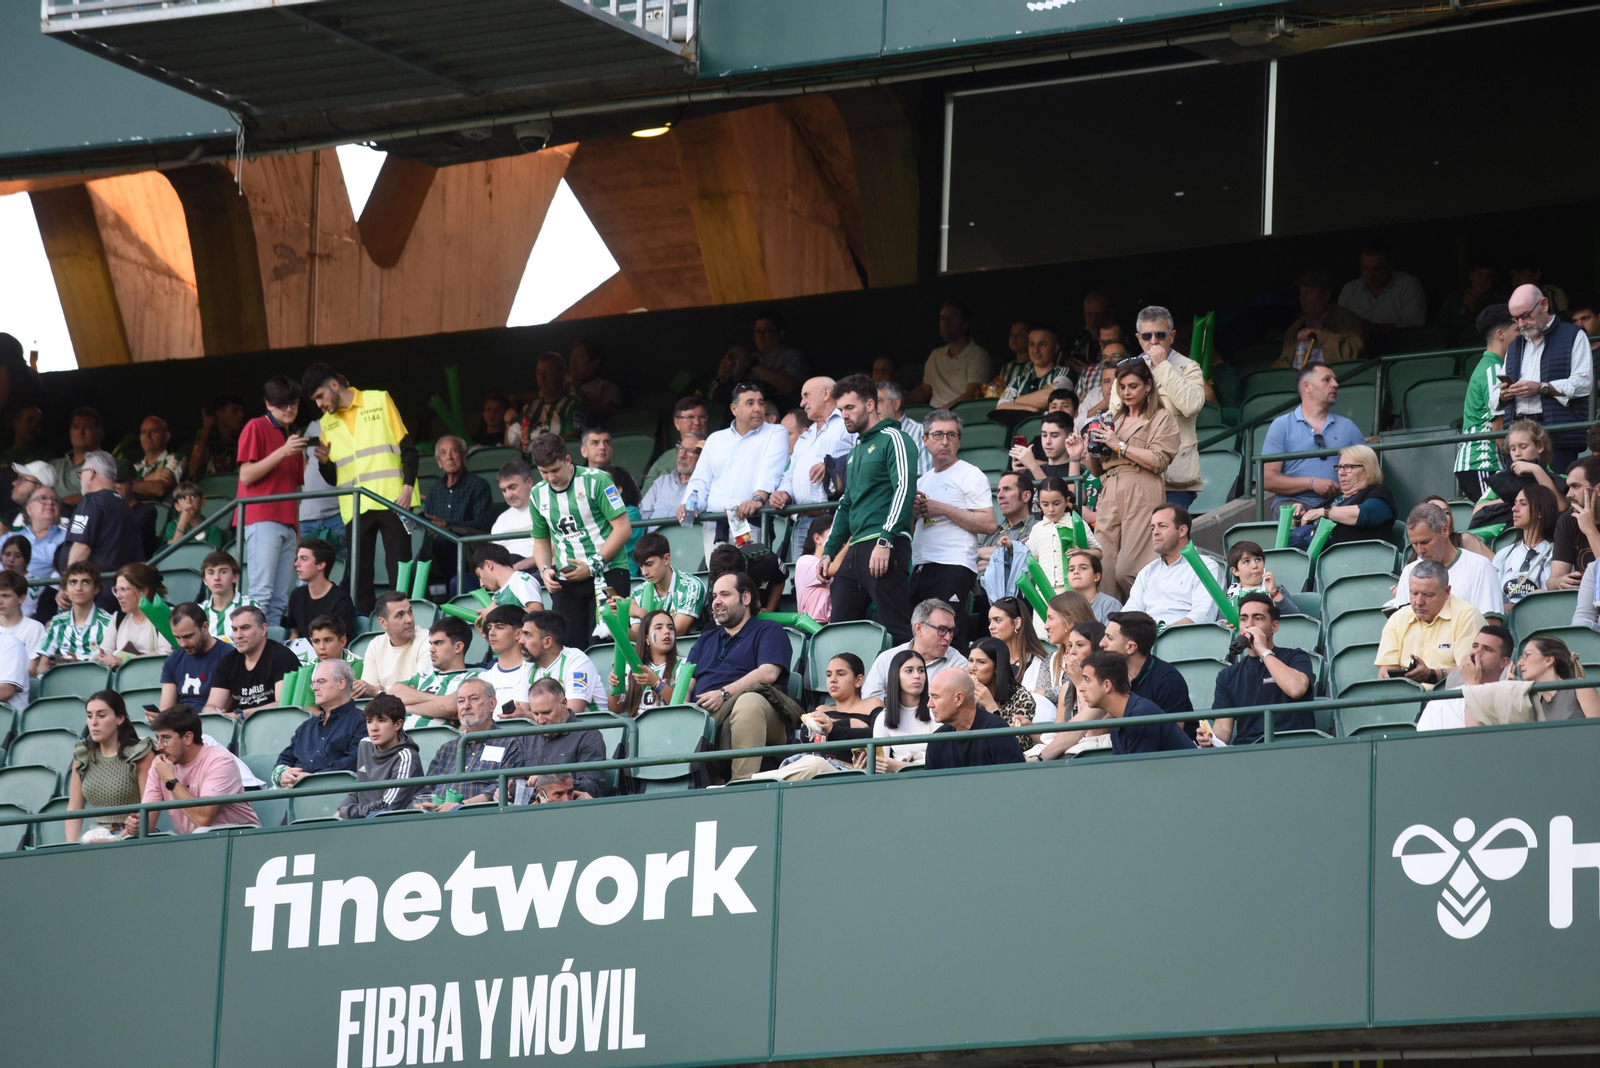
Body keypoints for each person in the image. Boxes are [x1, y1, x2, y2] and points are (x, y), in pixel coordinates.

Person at [302, 362, 419, 614]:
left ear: (334, 385)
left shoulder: (379, 400)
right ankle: (362, 631)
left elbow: (407, 447)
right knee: (359, 577)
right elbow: (333, 478)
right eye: (315, 400)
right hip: (355, 507)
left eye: (320, 396)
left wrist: (408, 488)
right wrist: (323, 462)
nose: (319, 404)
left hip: (393, 500)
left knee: (399, 571)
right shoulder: (326, 423)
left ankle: (405, 621)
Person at [820, 375, 919, 644]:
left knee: (897, 630)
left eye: (850, 408)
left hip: (885, 545)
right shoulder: (855, 452)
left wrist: (886, 540)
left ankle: (912, 685)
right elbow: (846, 504)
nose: (844, 415)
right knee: (838, 634)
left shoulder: (894, 438)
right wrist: (829, 552)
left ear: (871, 404)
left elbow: (904, 490)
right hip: (853, 552)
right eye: (841, 410)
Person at [1080, 358, 1178, 600]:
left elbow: (1159, 460)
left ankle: (1141, 617)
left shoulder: (1161, 417)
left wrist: (1119, 445)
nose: (1126, 392)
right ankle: (1111, 628)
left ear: (1148, 386)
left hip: (1141, 487)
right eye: (1122, 387)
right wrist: (1087, 450)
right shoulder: (1114, 417)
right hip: (1110, 487)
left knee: (1129, 569)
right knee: (1104, 569)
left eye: (1133, 386)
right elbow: (1097, 470)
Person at [683, 572, 796, 780]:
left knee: (749, 702)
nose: (717, 601)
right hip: (706, 714)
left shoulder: (768, 630)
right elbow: (687, 683)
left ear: (746, 598)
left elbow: (768, 673)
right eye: (715, 596)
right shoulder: (706, 639)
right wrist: (683, 711)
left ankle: (742, 786)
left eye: (725, 594)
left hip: (761, 715)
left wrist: (724, 693)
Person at [526, 432, 632, 646]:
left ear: (567, 460)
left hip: (608, 571)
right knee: (569, 647)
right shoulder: (537, 494)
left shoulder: (598, 480)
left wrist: (593, 565)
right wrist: (545, 569)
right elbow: (541, 541)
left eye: (555, 470)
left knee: (604, 645)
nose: (551, 477)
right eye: (544, 472)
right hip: (567, 580)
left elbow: (623, 529)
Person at [910, 409, 995, 643]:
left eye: (952, 435)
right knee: (919, 636)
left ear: (959, 440)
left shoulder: (970, 474)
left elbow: (989, 523)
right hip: (921, 565)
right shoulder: (922, 480)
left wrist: (943, 508)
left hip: (952, 565)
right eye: (938, 435)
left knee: (946, 635)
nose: (945, 441)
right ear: (925, 440)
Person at [677, 382, 788, 550]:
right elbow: (700, 481)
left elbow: (770, 472)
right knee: (719, 576)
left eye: (760, 402)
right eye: (750, 403)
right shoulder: (715, 439)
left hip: (752, 523)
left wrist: (757, 499)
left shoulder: (776, 432)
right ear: (734, 409)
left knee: (751, 576)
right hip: (715, 528)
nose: (757, 408)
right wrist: (688, 505)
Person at [234, 375, 307, 628]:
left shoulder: (292, 435)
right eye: (282, 403)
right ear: (268, 404)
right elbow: (246, 475)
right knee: (261, 594)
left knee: (278, 600)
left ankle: (271, 652)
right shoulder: (256, 426)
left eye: (294, 403)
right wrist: (283, 451)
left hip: (287, 521)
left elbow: (294, 486)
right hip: (261, 517)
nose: (289, 408)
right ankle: (252, 655)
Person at [1197, 593, 1315, 747]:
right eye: (1244, 619)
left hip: (1294, 747)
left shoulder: (1296, 657)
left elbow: (1296, 688)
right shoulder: (1227, 676)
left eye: (1258, 618)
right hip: (1249, 752)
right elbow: (1223, 729)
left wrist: (1263, 651)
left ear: (1274, 626)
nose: (1249, 625)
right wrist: (1210, 737)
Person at [1500, 282, 1593, 472]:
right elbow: (1494, 396)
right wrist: (1504, 394)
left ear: (1543, 305)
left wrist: (1542, 387)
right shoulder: (1514, 346)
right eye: (1515, 319)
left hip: (1558, 436)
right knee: (1520, 497)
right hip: (1519, 437)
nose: (1521, 324)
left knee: (1558, 494)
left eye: (1526, 316)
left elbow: (1584, 383)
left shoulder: (1573, 335)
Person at [1117, 306, 1204, 506]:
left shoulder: (1188, 367)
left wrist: (1163, 365)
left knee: (1170, 534)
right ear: (1138, 338)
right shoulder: (1126, 369)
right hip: (1134, 473)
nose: (1153, 341)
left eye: (1160, 335)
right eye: (1147, 336)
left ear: (1172, 336)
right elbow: (1116, 415)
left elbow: (1191, 406)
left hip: (1175, 476)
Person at [131, 703, 260, 835]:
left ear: (188, 738)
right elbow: (147, 825)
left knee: (201, 831)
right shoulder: (160, 765)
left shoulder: (220, 760)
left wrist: (170, 780)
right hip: (195, 846)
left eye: (165, 739)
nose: (159, 747)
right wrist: (135, 826)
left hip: (239, 840)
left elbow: (203, 820)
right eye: (158, 739)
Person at [769, 377, 855, 562]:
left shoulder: (846, 423)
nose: (802, 403)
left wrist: (833, 467)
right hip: (802, 521)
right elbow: (791, 473)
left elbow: (863, 457)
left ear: (826, 393)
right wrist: (785, 493)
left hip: (833, 517)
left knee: (831, 578)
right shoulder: (806, 435)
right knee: (801, 583)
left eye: (806, 396)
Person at [1262, 363, 1367, 513]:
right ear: (1307, 387)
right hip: (1294, 505)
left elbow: (1373, 472)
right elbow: (1267, 479)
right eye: (1327, 379)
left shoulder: (1348, 426)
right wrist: (1311, 483)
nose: (1336, 384)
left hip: (1340, 505)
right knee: (1293, 516)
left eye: (1335, 380)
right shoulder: (1281, 425)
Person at [413, 677, 526, 810]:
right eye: (461, 701)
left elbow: (504, 787)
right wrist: (421, 804)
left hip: (479, 818)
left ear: (492, 704)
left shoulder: (510, 743)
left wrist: (460, 807)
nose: (466, 706)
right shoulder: (447, 749)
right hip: (435, 819)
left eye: (474, 699)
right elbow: (425, 790)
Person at [1375, 559, 1487, 687]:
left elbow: (1472, 671)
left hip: (1451, 699)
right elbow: (1385, 672)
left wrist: (1432, 675)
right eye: (1414, 593)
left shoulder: (1468, 616)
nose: (1418, 602)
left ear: (1446, 592)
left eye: (1428, 595)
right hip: (1407, 700)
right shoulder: (1397, 619)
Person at [65, 690, 155, 842]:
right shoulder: (82, 754)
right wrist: (73, 846)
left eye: (101, 716)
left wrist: (117, 839)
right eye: (89, 716)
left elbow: (149, 812)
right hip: (97, 836)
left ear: (120, 718)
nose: (93, 722)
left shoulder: (140, 753)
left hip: (133, 838)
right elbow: (74, 808)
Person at [1067, 650, 1197, 754]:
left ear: (1107, 685)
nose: (1082, 688)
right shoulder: (1120, 718)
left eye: (1087, 680)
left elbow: (1139, 776)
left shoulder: (1140, 716)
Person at [64, 450, 144, 611]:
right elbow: (139, 559)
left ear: (91, 473)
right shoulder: (127, 508)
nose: (81, 479)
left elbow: (81, 546)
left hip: (93, 592)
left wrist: (68, 584)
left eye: (81, 473)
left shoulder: (91, 501)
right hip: (118, 592)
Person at [1122, 504, 1224, 627]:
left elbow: (1203, 616)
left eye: (1162, 526)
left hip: (1184, 639)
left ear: (1182, 531)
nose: (1155, 532)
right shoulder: (1146, 572)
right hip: (1145, 640)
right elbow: (1129, 613)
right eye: (1152, 528)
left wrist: (1163, 634)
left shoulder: (1206, 567)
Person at [503, 676, 606, 798]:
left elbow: (592, 787)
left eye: (547, 712)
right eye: (535, 713)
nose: (540, 720)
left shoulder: (588, 735)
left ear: (563, 704)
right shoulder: (526, 737)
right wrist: (507, 791)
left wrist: (550, 781)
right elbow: (515, 782)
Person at [907, 667, 1026, 770]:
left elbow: (1016, 781)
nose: (929, 704)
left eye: (936, 697)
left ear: (959, 699)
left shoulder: (995, 730)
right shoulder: (937, 740)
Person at [271, 658, 363, 787]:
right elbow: (285, 758)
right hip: (293, 792)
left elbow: (353, 762)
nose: (314, 688)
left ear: (341, 683)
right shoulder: (306, 727)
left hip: (332, 795)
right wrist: (283, 773)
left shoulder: (362, 722)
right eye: (313, 683)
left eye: (320, 682)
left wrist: (314, 779)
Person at [1454, 304, 1514, 499]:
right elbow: (1498, 426)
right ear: (1500, 334)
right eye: (1517, 330)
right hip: (1482, 460)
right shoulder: (1493, 370)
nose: (1521, 335)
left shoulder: (1492, 365)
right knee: (1490, 519)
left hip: (1484, 463)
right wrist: (1513, 463)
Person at [1101, 609, 1194, 731]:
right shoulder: (1112, 676)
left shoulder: (1168, 680)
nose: (1102, 643)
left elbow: (1174, 738)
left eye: (1109, 638)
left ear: (1131, 647)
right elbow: (1093, 731)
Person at [421, 435, 492, 593]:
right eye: (444, 453)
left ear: (464, 456)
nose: (449, 457)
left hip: (468, 551)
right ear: (439, 462)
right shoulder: (435, 490)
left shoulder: (478, 485)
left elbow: (482, 524)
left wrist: (448, 526)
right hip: (437, 554)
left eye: (454, 451)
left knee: (442, 542)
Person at [1290, 444, 1396, 550]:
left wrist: (1325, 512)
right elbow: (1309, 520)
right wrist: (1298, 517)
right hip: (1316, 557)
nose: (1341, 473)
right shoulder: (1336, 499)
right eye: (1339, 467)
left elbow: (1366, 513)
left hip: (1357, 559)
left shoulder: (1379, 492)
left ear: (1368, 469)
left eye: (1348, 467)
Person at [862, 598, 970, 701]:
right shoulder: (887, 659)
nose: (948, 637)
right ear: (919, 628)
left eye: (951, 631)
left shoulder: (958, 665)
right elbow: (870, 701)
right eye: (941, 630)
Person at [336, 694, 424, 818]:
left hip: (391, 827)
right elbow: (357, 790)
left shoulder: (407, 757)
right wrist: (342, 809)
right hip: (361, 822)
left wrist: (347, 812)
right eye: (369, 721)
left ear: (397, 724)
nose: (373, 728)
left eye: (381, 720)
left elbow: (387, 807)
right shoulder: (364, 744)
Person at [205, 606, 302, 716]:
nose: (238, 635)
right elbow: (211, 705)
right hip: (237, 727)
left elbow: (283, 705)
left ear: (263, 629)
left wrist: (240, 714)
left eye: (245, 628)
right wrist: (212, 712)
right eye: (234, 629)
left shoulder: (282, 657)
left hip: (274, 725)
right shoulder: (228, 662)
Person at [1416, 625, 1514, 731]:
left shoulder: (1509, 701)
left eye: (1487, 649)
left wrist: (1472, 685)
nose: (1476, 653)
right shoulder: (1442, 702)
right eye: (1475, 646)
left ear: (1504, 662)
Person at [388, 616, 477, 727]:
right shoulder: (424, 675)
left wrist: (405, 708)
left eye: (438, 643)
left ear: (458, 647)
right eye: (431, 644)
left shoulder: (473, 678)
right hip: (400, 739)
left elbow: (450, 706)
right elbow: (391, 695)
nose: (431, 649)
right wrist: (440, 700)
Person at [1274, 269, 1368, 368]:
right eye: (1301, 293)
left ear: (1325, 296)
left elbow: (1353, 356)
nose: (1301, 298)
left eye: (1307, 293)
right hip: (1301, 381)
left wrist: (1320, 334)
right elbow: (1284, 362)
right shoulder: (1295, 328)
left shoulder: (1348, 321)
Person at [907, 300, 992, 408]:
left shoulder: (978, 355)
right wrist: (896, 399)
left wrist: (938, 414)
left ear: (965, 324)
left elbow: (971, 395)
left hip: (961, 418)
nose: (945, 322)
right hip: (932, 417)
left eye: (952, 317)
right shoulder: (935, 355)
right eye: (942, 318)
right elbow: (924, 390)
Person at [1024, 476, 1100, 593]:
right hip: (1044, 591)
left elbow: (1099, 553)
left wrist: (1082, 551)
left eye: (1056, 503)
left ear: (1067, 501)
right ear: (1039, 503)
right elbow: (1030, 560)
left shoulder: (1076, 523)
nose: (1051, 509)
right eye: (1045, 504)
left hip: (1072, 591)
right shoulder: (1037, 529)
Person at [967, 637, 1047, 745]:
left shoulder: (1021, 697)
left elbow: (1017, 744)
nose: (972, 667)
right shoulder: (968, 694)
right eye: (970, 660)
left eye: (981, 662)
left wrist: (991, 707)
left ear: (997, 667)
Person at [519, 610, 598, 716]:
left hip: (590, 730)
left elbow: (573, 713)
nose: (520, 641)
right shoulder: (528, 664)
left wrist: (525, 715)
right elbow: (521, 709)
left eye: (527, 635)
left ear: (547, 642)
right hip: (549, 731)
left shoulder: (577, 661)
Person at [1337, 239, 1427, 332]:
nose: (1371, 275)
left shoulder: (1408, 286)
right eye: (1365, 268)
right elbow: (1338, 326)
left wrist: (1371, 328)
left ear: (1390, 265)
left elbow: (1415, 326)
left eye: (1377, 269)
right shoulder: (1349, 290)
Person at [1493, 485, 1559, 612]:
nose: (1514, 509)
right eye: (1515, 503)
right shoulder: (1503, 554)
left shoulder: (1558, 552)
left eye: (1523, 504)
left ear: (1540, 511)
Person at [93, 562, 172, 666]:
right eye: (116, 590)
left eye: (124, 589)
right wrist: (100, 657)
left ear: (144, 591)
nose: (118, 596)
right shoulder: (118, 617)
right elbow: (105, 650)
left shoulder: (166, 613)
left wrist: (124, 660)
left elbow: (166, 654)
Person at [627, 532, 705, 635]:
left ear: (666, 559)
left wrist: (641, 613)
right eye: (641, 566)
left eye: (649, 564)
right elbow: (638, 637)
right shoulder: (638, 592)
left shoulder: (691, 586)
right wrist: (618, 620)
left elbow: (676, 633)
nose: (644, 572)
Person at [866, 649, 932, 770]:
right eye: (909, 671)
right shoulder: (883, 717)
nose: (917, 675)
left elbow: (944, 757)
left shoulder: (936, 709)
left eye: (921, 670)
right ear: (895, 675)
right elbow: (881, 765)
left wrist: (902, 765)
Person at [39, 560, 114, 667]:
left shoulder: (109, 623)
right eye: (73, 582)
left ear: (96, 589)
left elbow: (111, 668)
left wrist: (76, 667)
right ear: (65, 590)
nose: (79, 588)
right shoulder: (57, 622)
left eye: (85, 582)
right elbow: (41, 667)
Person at [608, 608, 682, 716]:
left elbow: (681, 705)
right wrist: (615, 685)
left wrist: (657, 683)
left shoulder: (683, 665)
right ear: (646, 637)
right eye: (659, 628)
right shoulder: (631, 668)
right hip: (637, 730)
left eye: (670, 628)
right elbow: (615, 709)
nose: (667, 631)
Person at [356, 591, 431, 696]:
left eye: (410, 612)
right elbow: (369, 691)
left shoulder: (427, 639)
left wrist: (378, 691)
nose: (409, 620)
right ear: (383, 623)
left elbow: (424, 686)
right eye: (400, 615)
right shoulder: (375, 645)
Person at [159, 603, 230, 710]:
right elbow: (166, 708)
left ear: (205, 627)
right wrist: (158, 717)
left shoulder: (229, 657)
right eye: (177, 637)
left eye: (188, 636)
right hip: (179, 723)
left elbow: (216, 711)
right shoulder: (173, 660)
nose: (182, 644)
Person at [283, 537, 356, 640]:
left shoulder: (341, 601)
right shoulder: (296, 595)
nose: (296, 564)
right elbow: (295, 634)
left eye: (304, 559)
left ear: (321, 565)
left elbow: (339, 643)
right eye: (297, 559)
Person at [509, 351, 585, 444]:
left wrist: (538, 447)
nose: (542, 377)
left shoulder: (573, 404)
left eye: (548, 372)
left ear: (561, 374)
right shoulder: (529, 408)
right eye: (539, 373)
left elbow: (574, 438)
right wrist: (508, 424)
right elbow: (512, 445)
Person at [641, 397, 710, 497]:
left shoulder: (719, 453)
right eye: (690, 417)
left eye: (702, 417)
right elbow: (645, 498)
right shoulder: (665, 459)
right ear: (677, 423)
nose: (697, 422)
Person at [804, 652, 880, 742]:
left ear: (858, 680)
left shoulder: (872, 705)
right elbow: (805, 736)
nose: (832, 680)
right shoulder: (822, 710)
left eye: (840, 674)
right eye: (829, 675)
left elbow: (876, 734)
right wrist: (848, 722)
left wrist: (831, 728)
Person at [1551, 457, 1600, 590]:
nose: (1569, 494)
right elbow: (1553, 580)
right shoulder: (1569, 519)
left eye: (1576, 486)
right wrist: (1560, 581)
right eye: (1569, 487)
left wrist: (1591, 531)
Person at [995, 325, 1070, 412]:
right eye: (1032, 344)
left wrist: (1014, 400)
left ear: (1055, 347)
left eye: (1042, 344)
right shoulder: (1018, 381)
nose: (1036, 350)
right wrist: (1034, 410)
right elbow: (1001, 406)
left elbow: (1055, 397)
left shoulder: (1065, 372)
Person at [977, 471, 1035, 578]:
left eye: (1007, 489)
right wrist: (1010, 556)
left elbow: (1028, 562)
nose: (999, 496)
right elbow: (973, 561)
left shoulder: (1037, 529)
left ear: (1026, 496)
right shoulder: (990, 532)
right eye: (998, 491)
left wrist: (990, 561)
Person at [987, 596, 1050, 691]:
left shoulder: (1038, 663)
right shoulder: (990, 660)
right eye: (990, 621)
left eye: (997, 620)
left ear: (1017, 623)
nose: (990, 627)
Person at [477, 605, 533, 712]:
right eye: (490, 628)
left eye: (499, 627)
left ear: (518, 634)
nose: (491, 633)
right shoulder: (483, 678)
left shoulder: (535, 672)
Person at [639, 432, 703, 522]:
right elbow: (643, 514)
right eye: (681, 448)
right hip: (652, 535)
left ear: (703, 457)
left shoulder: (705, 488)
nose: (682, 455)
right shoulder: (662, 481)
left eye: (690, 451)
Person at [1435, 260, 1502, 347]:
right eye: (1479, 275)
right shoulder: (1454, 300)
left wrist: (1476, 310)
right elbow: (1439, 332)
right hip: (1457, 353)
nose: (1483, 280)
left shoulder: (1498, 303)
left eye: (1489, 276)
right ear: (1471, 276)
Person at [1224, 541, 1300, 616]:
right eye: (1247, 561)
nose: (1255, 565)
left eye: (1258, 560)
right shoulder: (1227, 596)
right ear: (1235, 571)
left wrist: (1274, 592)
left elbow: (1295, 617)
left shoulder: (1279, 589)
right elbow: (1221, 622)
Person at [490, 459, 539, 574]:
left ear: (529, 482)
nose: (508, 495)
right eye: (504, 490)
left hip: (535, 570)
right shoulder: (501, 520)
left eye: (512, 487)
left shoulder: (547, 509)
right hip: (507, 571)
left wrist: (519, 566)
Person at [748, 308, 810, 401]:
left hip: (783, 409)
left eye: (766, 331)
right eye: (757, 331)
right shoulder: (749, 358)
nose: (760, 336)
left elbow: (791, 387)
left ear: (780, 333)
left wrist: (753, 364)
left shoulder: (792, 356)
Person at [50, 406, 105, 505]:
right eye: (76, 427)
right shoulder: (54, 465)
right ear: (70, 433)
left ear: (100, 434)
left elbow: (102, 495)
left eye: (87, 428)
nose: (81, 432)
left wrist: (61, 503)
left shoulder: (106, 465)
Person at [199, 550, 257, 644]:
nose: (216, 578)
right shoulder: (198, 611)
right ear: (204, 580)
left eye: (223, 572)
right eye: (211, 573)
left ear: (235, 577)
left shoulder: (250, 605)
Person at [471, 542, 544, 614]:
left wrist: (499, 612)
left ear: (488, 565)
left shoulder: (520, 580)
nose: (481, 584)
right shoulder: (495, 598)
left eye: (479, 575)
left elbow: (538, 613)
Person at [876, 378, 930, 476]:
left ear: (896, 404)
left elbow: (923, 476)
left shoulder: (919, 432)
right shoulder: (870, 435)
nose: (874, 406)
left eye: (879, 401)